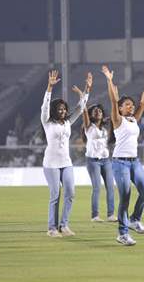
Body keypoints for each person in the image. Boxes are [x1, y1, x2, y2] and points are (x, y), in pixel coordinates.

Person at [102, 64, 144, 246]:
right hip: (120, 163)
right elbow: (112, 101)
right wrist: (109, 80)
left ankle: (134, 219)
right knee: (125, 196)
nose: (131, 107)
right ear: (121, 109)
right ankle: (122, 234)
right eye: (127, 105)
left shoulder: (133, 119)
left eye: (132, 104)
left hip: (134, 162)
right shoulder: (118, 120)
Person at [41, 70, 88, 238]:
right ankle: (52, 229)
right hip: (51, 164)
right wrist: (49, 87)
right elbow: (45, 107)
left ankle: (64, 225)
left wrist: (86, 90)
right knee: (55, 195)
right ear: (55, 110)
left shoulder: (68, 122)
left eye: (64, 109)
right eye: (59, 109)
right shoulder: (47, 122)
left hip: (66, 162)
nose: (62, 111)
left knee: (70, 193)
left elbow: (80, 108)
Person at [79, 72, 117, 223]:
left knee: (110, 187)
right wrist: (86, 90)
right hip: (93, 161)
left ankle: (110, 215)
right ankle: (95, 215)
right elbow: (83, 109)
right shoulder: (88, 126)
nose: (98, 112)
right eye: (95, 111)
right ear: (91, 114)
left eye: (100, 110)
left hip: (106, 160)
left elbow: (116, 111)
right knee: (96, 188)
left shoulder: (105, 128)